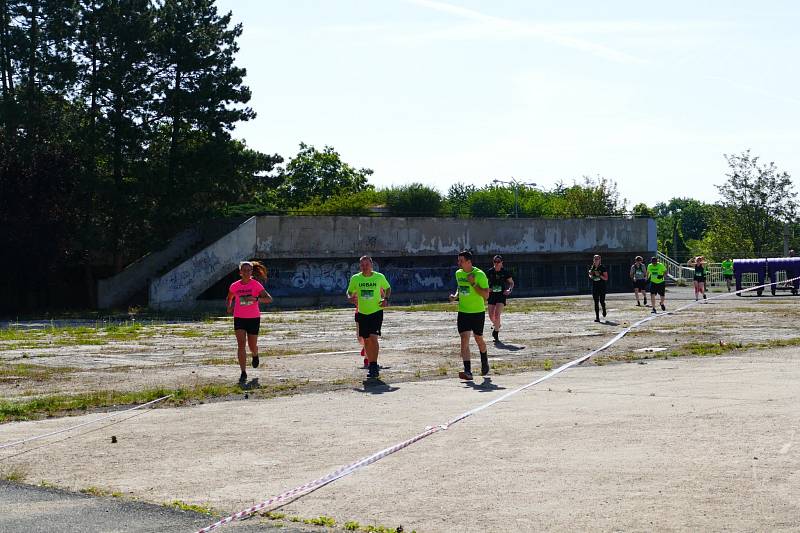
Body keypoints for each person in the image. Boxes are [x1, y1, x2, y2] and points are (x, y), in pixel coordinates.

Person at [226, 261, 272, 384]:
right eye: (244, 270)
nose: (246, 272)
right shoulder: (234, 286)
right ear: (240, 272)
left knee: (252, 346)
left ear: (252, 272)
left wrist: (255, 299)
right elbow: (230, 297)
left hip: (253, 318)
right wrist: (229, 307)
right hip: (239, 318)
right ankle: (243, 372)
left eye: (249, 270)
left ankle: (255, 354)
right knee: (241, 344)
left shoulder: (256, 285)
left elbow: (269, 299)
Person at [347, 256, 391, 379]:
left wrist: (385, 299)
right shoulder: (355, 278)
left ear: (371, 265)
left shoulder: (379, 277)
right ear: (360, 266)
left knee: (373, 338)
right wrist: (350, 298)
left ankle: (373, 365)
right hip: (362, 312)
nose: (364, 267)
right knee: (366, 340)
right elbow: (349, 291)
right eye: (362, 265)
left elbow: (388, 288)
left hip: (376, 312)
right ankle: (370, 361)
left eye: (366, 264)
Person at [449, 250, 490, 380]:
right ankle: (468, 371)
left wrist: (473, 283)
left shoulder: (480, 274)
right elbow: (460, 287)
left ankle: (484, 360)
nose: (458, 263)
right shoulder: (458, 273)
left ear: (469, 262)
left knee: (479, 339)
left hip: (477, 312)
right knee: (464, 340)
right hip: (463, 312)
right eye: (458, 260)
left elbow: (486, 295)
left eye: (461, 260)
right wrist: (455, 296)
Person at [487, 254, 514, 343]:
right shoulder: (489, 272)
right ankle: (497, 325)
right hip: (491, 295)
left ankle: (496, 332)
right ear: (493, 262)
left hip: (501, 295)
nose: (497, 263)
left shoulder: (505, 272)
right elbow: (484, 283)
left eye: (498, 262)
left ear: (502, 262)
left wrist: (509, 290)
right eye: (495, 262)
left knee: (497, 315)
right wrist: (487, 289)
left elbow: (511, 283)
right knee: (491, 316)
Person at [588, 254, 609, 322]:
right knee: (596, 302)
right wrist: (590, 275)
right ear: (593, 260)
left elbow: (606, 278)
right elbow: (590, 275)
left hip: (602, 286)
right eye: (595, 259)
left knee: (602, 301)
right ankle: (597, 317)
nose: (596, 260)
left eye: (597, 259)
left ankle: (604, 309)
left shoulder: (602, 267)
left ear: (600, 260)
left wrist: (599, 275)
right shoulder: (592, 267)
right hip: (595, 286)